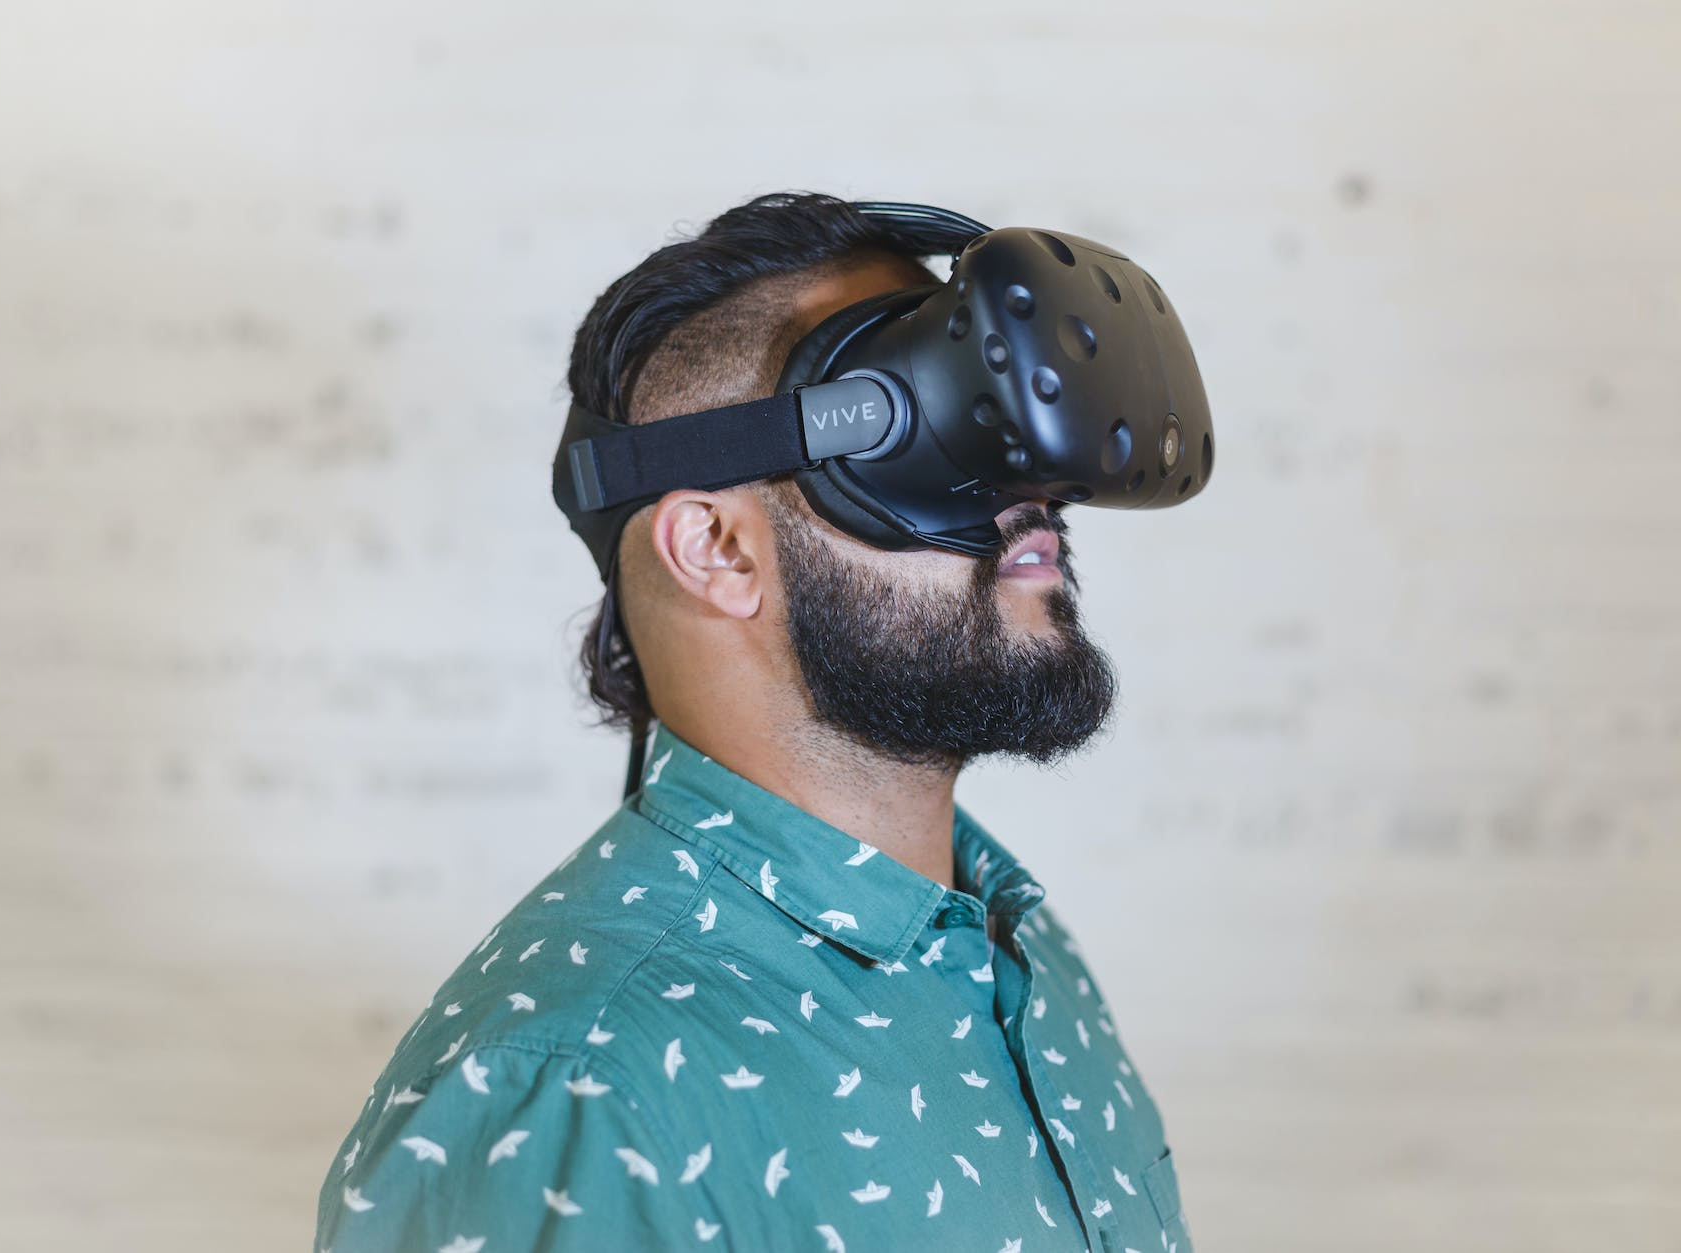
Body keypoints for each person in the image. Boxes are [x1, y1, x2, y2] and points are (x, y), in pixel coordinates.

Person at [314, 192, 1192, 1253]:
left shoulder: (1008, 941)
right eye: (933, 424)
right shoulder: (577, 1093)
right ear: (717, 550)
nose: (1030, 496)